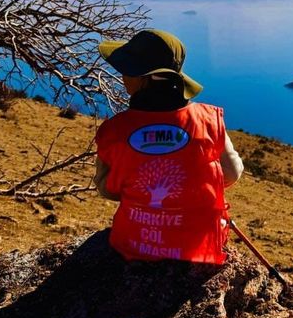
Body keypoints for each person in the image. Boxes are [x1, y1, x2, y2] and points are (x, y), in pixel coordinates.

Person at [93, 29, 243, 265]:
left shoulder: (114, 131)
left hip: (133, 244)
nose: (122, 76)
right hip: (196, 247)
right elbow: (232, 173)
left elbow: (107, 188)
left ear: (145, 78)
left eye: (128, 70)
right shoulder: (207, 121)